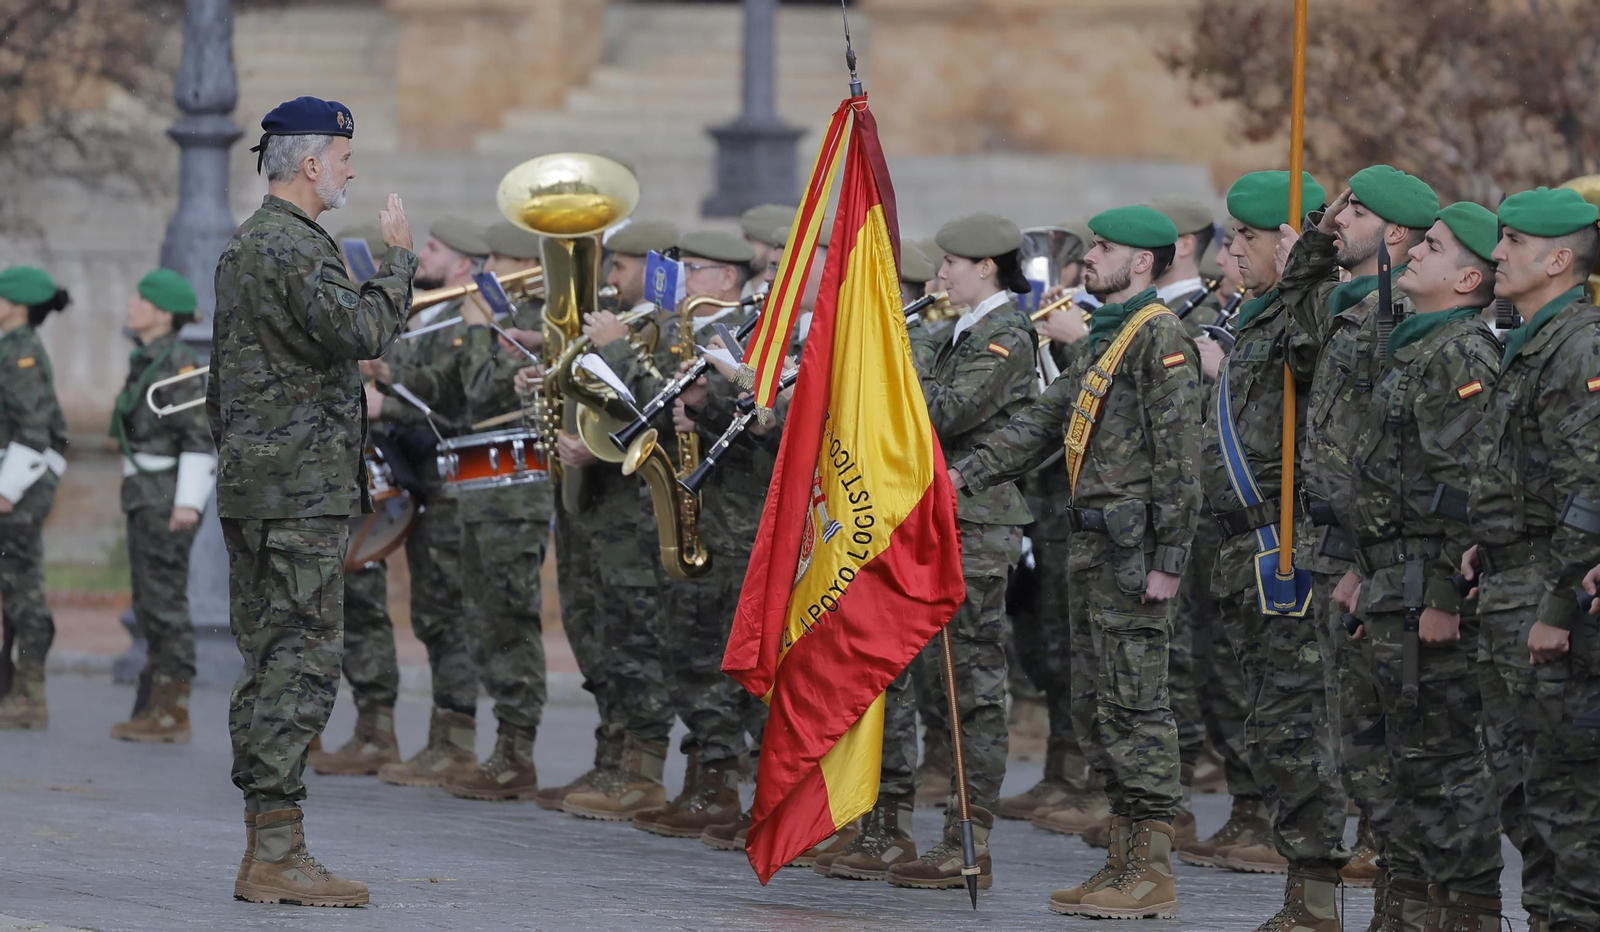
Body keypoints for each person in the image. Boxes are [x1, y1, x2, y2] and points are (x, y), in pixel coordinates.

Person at [953, 205, 1201, 919]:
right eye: (1092, 245)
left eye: (1106, 248)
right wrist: (963, 476)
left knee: (1137, 704)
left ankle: (1152, 868)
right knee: (1097, 704)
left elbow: (1182, 460)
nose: (1089, 257)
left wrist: (1170, 559)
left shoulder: (1159, 338)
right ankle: (1121, 861)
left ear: (1145, 263)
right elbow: (1045, 419)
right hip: (1095, 546)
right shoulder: (1109, 336)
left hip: (1136, 552)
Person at [210, 95, 415, 907]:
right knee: (301, 662)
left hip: (260, 487)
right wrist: (395, 261)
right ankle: (276, 852)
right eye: (343, 156)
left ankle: (269, 840)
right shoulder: (293, 246)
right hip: (297, 495)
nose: (351, 170)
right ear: (309, 163)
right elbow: (361, 331)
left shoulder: (247, 247)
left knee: (268, 660)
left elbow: (238, 377)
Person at [854, 213, 1037, 891]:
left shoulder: (1004, 335)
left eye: (954, 263)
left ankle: (970, 839)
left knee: (972, 686)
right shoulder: (960, 330)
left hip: (976, 527)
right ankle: (923, 828)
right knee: (931, 679)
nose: (942, 275)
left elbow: (941, 414)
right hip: (934, 520)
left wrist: (896, 356)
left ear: (988, 265)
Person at [1277, 165, 1442, 902]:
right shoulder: (1350, 308)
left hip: (1380, 553)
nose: (1337, 216)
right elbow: (1295, 329)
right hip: (1338, 546)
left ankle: (1410, 897)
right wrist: (1314, 244)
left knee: (1392, 743)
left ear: (1396, 233)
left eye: (1353, 210)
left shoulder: (1406, 315)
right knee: (1351, 740)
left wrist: (1373, 557)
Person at [1341, 201, 1505, 930]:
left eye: (1431, 248)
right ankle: (1407, 912)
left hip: (1424, 588)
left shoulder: (1463, 354)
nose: (1412, 252)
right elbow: (1388, 477)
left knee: (1442, 765)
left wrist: (1443, 594)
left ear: (1468, 276)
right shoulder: (1420, 344)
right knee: (1399, 764)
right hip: (1388, 580)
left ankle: (1466, 913)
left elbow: (1466, 491)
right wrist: (1358, 565)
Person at [1205, 170, 1351, 931]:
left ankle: (1317, 896)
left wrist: (1309, 268)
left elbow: (1313, 359)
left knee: (1296, 732)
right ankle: (1307, 888)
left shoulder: (1314, 305)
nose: (1234, 250)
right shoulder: (1253, 316)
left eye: (1248, 238)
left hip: (1283, 550)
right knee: (1269, 727)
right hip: (1241, 553)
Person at [1462, 186, 1600, 932]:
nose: (1496, 254)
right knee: (1525, 790)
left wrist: (1558, 608)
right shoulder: (1536, 338)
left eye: (1512, 242)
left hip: (1556, 593)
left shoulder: (1579, 343)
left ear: (1557, 258)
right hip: (1517, 583)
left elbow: (1592, 481)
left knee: (1566, 799)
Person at [547, 218, 681, 820]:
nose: (609, 279)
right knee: (606, 637)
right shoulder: (628, 329)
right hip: (608, 507)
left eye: (619, 267)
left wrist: (617, 348)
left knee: (638, 641)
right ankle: (616, 757)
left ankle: (645, 771)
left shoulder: (670, 329)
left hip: (642, 511)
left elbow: (662, 405)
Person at [370, 217, 490, 790]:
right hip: (425, 477)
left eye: (435, 249)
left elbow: (457, 402)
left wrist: (386, 392)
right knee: (432, 612)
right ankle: (443, 738)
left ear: (463, 263)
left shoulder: (471, 317)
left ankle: (458, 738)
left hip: (453, 481)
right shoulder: (433, 312)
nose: (424, 258)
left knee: (449, 612)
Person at [309, 225, 403, 776]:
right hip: (323, 478)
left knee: (363, 609)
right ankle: (320, 727)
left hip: (364, 484)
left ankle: (377, 728)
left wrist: (378, 378)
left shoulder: (385, 318)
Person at [107, 269, 215, 744]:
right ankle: (156, 704)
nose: (132, 304)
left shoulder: (177, 364)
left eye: (142, 298)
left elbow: (199, 438)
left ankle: (174, 710)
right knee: (151, 601)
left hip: (167, 498)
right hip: (146, 496)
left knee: (166, 602)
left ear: (163, 313)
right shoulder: (150, 358)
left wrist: (188, 504)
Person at [0, 266, 70, 731]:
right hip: (14, 480)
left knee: (23, 588)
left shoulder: (22, 351)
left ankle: (29, 695)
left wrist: (6, 491)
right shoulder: (11, 347)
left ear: (16, 305)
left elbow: (33, 429)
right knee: (13, 588)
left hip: (19, 487)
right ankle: (16, 689)